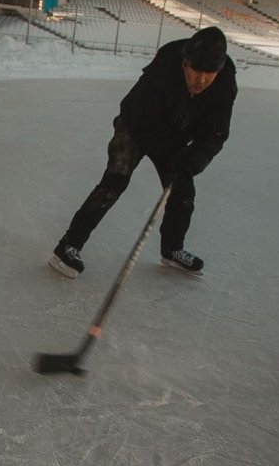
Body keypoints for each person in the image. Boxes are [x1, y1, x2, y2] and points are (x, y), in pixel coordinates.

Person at [49, 26, 237, 278]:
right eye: (196, 71)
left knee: (182, 190)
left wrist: (193, 159)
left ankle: (172, 249)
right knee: (114, 182)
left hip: (175, 134)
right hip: (135, 127)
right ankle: (68, 245)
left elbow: (215, 132)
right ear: (185, 64)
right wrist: (175, 153)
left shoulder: (224, 84)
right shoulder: (164, 68)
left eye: (209, 73)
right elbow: (141, 118)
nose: (201, 80)